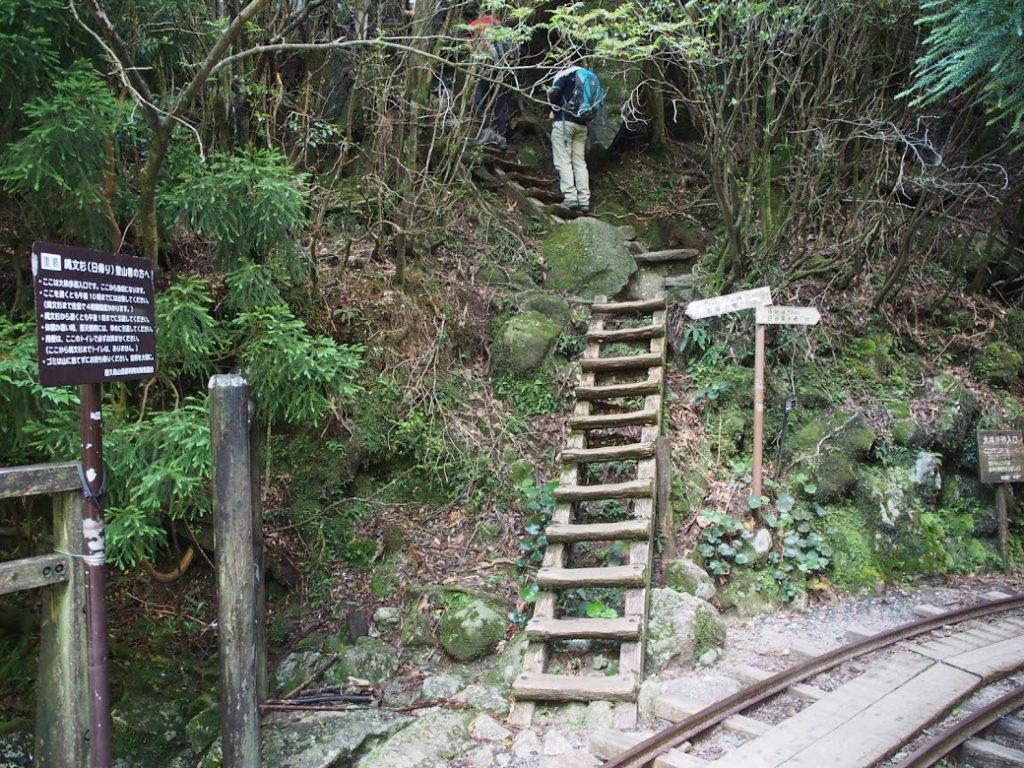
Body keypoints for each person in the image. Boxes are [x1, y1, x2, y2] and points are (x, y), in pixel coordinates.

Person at [548, 64, 599, 213]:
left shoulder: (565, 74)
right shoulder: (586, 75)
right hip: (582, 126)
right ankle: (584, 200)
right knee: (579, 163)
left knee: (563, 160)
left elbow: (553, 94)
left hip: (564, 123)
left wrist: (553, 109)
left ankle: (570, 197)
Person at [470, 15, 516, 149]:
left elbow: (492, 56)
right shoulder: (505, 35)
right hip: (507, 73)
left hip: (491, 72)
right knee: (500, 106)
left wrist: (480, 49)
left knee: (478, 101)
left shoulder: (487, 33)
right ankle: (502, 139)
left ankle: (488, 131)